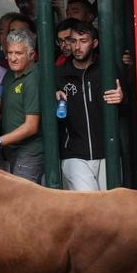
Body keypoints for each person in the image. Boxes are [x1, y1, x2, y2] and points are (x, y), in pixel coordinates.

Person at [56, 21, 124, 190]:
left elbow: (130, 111)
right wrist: (53, 100)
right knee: (90, 204)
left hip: (107, 152)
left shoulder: (107, 70)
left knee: (110, 207)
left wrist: (123, 97)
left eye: (83, 41)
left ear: (94, 43)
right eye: (73, 41)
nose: (77, 46)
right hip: (74, 153)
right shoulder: (59, 74)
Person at [0, 28, 44, 182]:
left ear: (32, 55)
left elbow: (31, 126)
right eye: (10, 53)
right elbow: (3, 107)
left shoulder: (33, 79)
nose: (12, 58)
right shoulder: (10, 74)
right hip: (12, 151)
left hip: (29, 152)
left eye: (19, 53)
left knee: (22, 202)